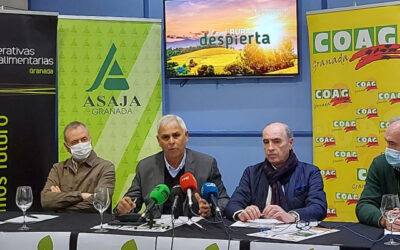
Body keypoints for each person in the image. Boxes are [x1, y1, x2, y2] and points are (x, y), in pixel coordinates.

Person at [115, 114, 229, 218]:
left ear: (186, 136)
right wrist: (124, 208)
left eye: (176, 135)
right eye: (165, 137)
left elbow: (224, 200)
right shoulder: (145, 167)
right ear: (159, 141)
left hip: (194, 231)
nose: (171, 141)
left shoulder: (206, 164)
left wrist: (211, 210)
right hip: (156, 232)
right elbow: (132, 201)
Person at [225, 122, 327, 223]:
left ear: (290, 143)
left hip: (294, 234)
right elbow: (232, 205)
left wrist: (291, 216)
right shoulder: (252, 173)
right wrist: (242, 213)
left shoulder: (310, 172)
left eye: (276, 141)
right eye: (266, 142)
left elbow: (318, 207)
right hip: (257, 233)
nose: (270, 148)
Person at [41, 121, 115, 212]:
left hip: (93, 223)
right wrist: (81, 195)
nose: (80, 144)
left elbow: (101, 202)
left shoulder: (105, 167)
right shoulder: (58, 168)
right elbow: (46, 201)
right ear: (67, 147)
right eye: (75, 142)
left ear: (90, 140)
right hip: (60, 224)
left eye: (84, 139)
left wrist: (61, 204)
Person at [356, 117, 400, 231]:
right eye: (387, 142)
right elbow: (364, 205)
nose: (388, 149)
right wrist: (384, 219)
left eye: (392, 143)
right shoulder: (380, 163)